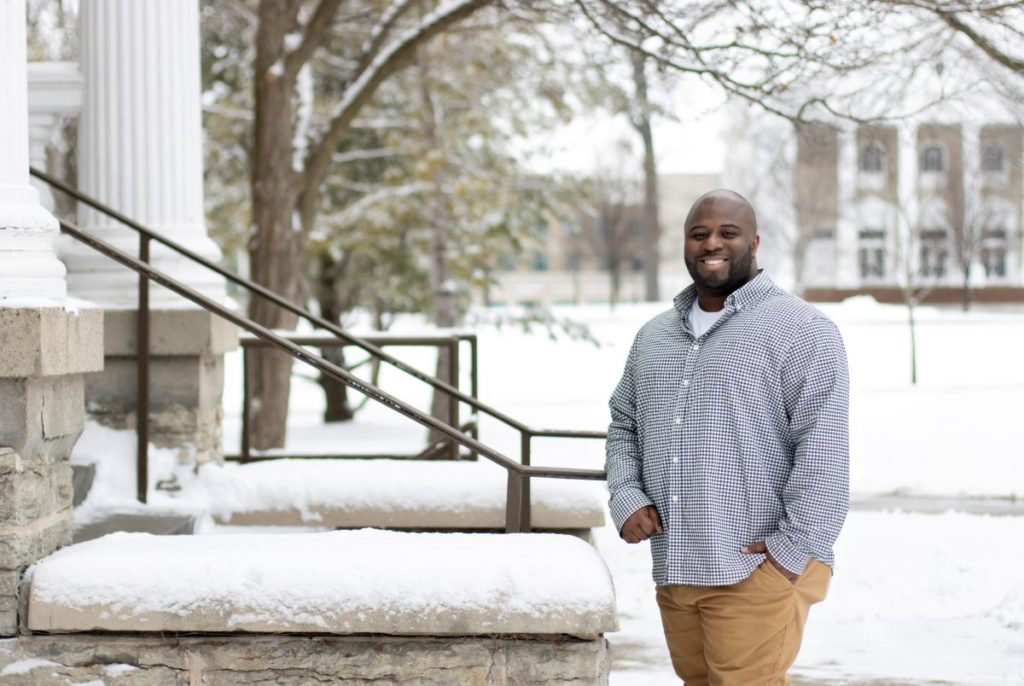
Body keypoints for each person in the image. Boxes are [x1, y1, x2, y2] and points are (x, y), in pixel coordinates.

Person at [605, 189, 850, 685]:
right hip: (677, 564)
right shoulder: (654, 336)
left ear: (754, 241)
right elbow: (623, 424)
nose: (711, 243)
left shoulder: (802, 330)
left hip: (754, 565)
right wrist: (626, 495)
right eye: (699, 233)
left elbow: (823, 453)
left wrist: (788, 557)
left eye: (727, 232)